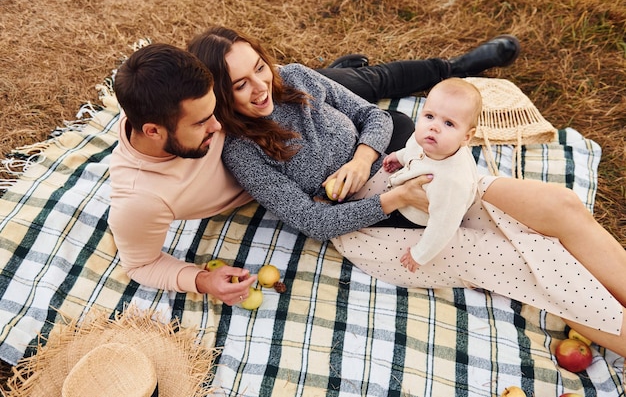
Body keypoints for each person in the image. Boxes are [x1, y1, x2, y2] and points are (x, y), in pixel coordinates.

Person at [187, 26, 626, 356]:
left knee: (559, 205)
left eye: (258, 68)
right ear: (220, 94)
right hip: (371, 228)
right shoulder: (241, 152)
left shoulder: (298, 78)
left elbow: (375, 117)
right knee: (525, 261)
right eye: (240, 84)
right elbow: (312, 221)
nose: (260, 85)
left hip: (410, 166)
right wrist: (394, 199)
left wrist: (362, 159)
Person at [109, 33, 519, 304]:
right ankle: (345, 74)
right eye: (202, 122)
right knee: (359, 90)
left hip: (293, 106)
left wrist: (357, 151)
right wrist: (200, 280)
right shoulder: (140, 198)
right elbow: (140, 264)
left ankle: (454, 66)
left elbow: (371, 118)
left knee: (373, 82)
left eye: (212, 111)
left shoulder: (232, 92)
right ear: (154, 130)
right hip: (271, 133)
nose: (216, 128)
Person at [380, 78, 481, 272]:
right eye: (429, 116)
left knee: (370, 222)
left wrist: (420, 254)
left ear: (467, 137)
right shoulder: (427, 138)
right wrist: (399, 157)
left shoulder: (451, 182)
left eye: (449, 123)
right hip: (406, 187)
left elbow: (443, 226)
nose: (434, 126)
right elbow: (411, 149)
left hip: (415, 216)